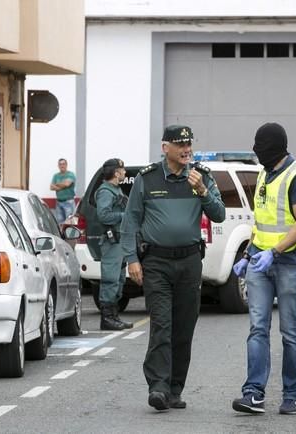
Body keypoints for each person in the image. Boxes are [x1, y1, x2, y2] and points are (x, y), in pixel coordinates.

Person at [120, 125, 226, 411]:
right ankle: (158, 387)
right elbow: (131, 221)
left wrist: (202, 191)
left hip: (190, 262)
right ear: (165, 147)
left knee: (183, 328)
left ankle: (175, 389)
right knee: (162, 326)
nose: (186, 149)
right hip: (156, 263)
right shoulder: (147, 178)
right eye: (180, 144)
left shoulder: (201, 176)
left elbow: (219, 214)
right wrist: (131, 259)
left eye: (189, 143)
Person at [231, 122, 296, 415]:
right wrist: (248, 254)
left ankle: (292, 394)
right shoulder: (266, 173)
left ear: (275, 147)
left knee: (290, 331)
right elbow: (262, 221)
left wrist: (274, 251)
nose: (257, 152)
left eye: (260, 147)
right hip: (259, 261)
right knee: (257, 328)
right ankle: (253, 393)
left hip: (287, 262)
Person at [95, 158, 132, 331]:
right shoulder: (105, 191)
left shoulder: (115, 190)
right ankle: (107, 318)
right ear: (116, 173)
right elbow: (104, 216)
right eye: (122, 170)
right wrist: (125, 216)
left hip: (120, 241)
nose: (125, 173)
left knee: (119, 280)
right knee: (110, 279)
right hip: (112, 242)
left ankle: (114, 316)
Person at [50, 158, 76, 224]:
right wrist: (63, 185)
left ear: (66, 165)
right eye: (60, 164)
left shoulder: (70, 174)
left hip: (69, 202)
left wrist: (57, 185)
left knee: (70, 223)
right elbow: (51, 187)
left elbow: (67, 184)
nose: (62, 166)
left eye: (63, 164)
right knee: (60, 224)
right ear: (58, 166)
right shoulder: (56, 176)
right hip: (59, 203)